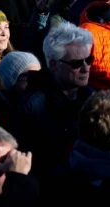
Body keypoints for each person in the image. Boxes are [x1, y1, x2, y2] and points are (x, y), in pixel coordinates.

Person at [16, 22, 95, 171]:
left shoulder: (91, 96)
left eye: (89, 60)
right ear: (53, 64)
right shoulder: (33, 105)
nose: (86, 69)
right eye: (76, 63)